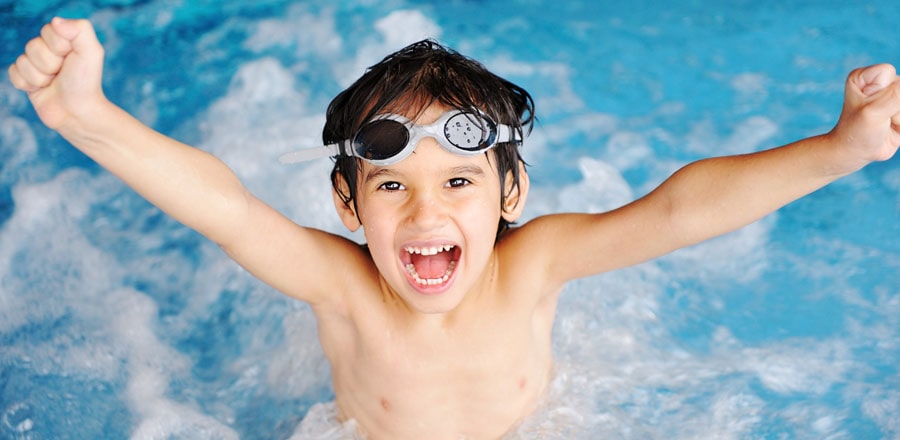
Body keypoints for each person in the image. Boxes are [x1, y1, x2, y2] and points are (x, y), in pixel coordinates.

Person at [8, 17, 900, 440]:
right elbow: (229, 209)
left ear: (510, 193)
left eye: (460, 181)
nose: (427, 214)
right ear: (348, 207)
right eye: (390, 186)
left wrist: (839, 150)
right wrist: (89, 118)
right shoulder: (345, 288)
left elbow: (672, 211)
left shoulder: (536, 263)